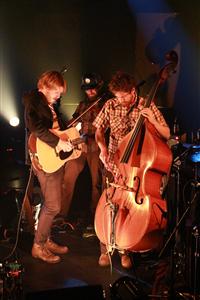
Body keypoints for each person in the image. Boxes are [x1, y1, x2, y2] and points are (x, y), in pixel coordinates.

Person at [93, 70, 171, 268]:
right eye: (117, 96)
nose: (120, 100)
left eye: (123, 96)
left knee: (127, 209)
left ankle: (124, 249)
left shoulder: (147, 105)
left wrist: (151, 120)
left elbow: (166, 133)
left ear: (133, 91)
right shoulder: (111, 105)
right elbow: (99, 130)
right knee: (110, 204)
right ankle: (105, 247)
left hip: (135, 168)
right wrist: (102, 147)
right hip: (113, 161)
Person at [23, 70, 73, 263]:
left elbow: (54, 128)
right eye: (56, 92)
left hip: (53, 158)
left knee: (49, 202)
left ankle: (45, 239)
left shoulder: (48, 104)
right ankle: (38, 246)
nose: (59, 96)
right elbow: (36, 128)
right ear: (45, 86)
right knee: (53, 205)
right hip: (43, 158)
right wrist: (58, 142)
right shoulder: (34, 101)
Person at [59, 73, 111, 236]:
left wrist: (88, 128)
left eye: (92, 88)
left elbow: (105, 126)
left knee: (97, 183)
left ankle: (96, 217)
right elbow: (74, 122)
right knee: (68, 179)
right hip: (81, 146)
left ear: (99, 87)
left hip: (97, 146)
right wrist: (72, 125)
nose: (90, 92)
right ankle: (61, 216)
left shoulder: (105, 104)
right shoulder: (82, 105)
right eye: (87, 89)